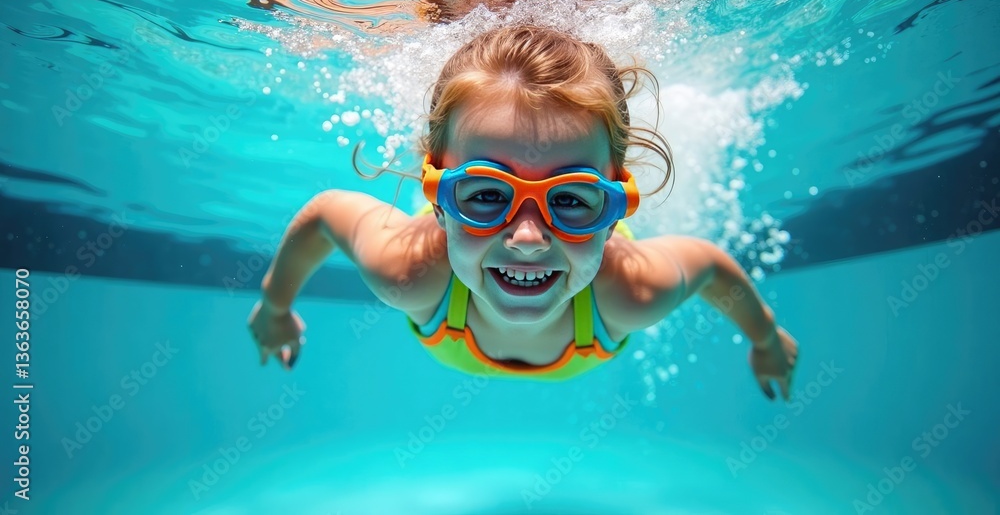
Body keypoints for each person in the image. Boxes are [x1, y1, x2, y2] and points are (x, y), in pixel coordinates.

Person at [247, 25, 799, 398]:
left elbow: (706, 264)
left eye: (572, 196)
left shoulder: (630, 288)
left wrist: (767, 338)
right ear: (435, 190)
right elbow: (323, 214)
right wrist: (274, 307)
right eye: (487, 192)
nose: (529, 238)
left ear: (616, 199)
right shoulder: (410, 271)